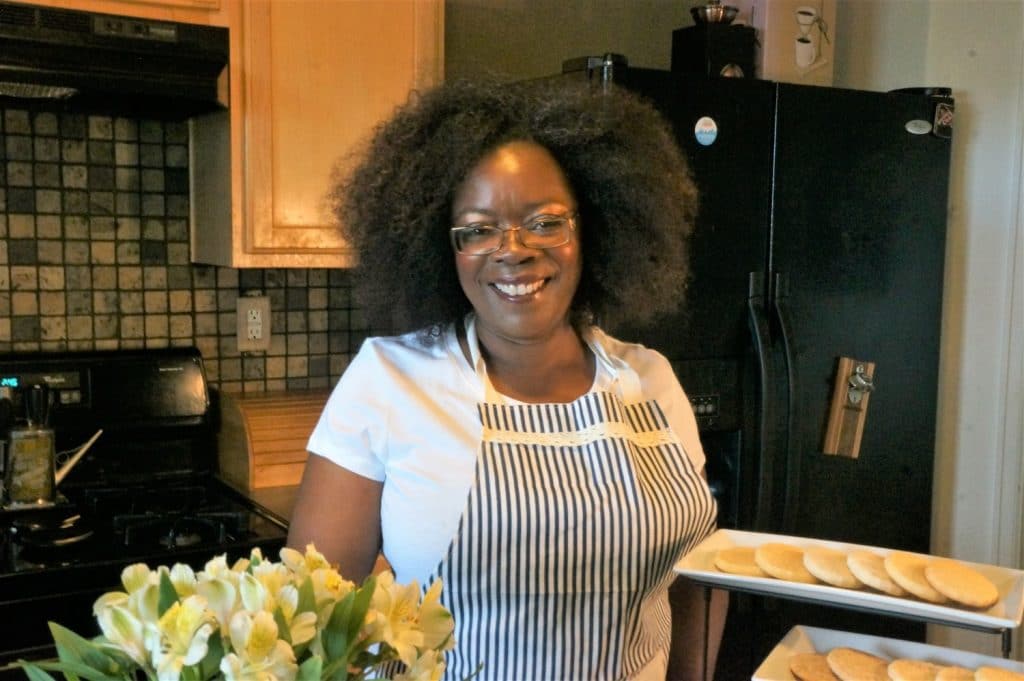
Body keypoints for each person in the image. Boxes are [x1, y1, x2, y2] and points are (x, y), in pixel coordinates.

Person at [287, 76, 728, 681]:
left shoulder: (652, 383)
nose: (513, 249)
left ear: (592, 225)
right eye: (477, 229)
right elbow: (313, 622)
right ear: (443, 250)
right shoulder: (389, 382)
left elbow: (697, 578)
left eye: (545, 222)